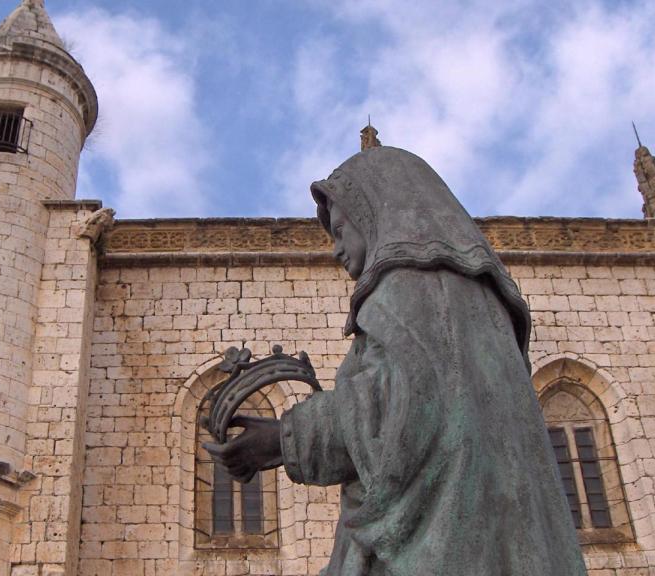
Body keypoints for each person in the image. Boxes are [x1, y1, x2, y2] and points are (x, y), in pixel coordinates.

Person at [205, 146, 587, 575]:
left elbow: (400, 409)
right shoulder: (469, 297)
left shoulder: (410, 291)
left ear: (371, 216)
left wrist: (282, 438)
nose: (336, 250)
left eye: (340, 230)